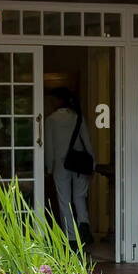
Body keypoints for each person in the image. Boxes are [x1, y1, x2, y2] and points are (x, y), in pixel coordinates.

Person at [43, 87, 94, 246]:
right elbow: (87, 142)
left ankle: (72, 238)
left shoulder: (51, 119)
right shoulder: (77, 117)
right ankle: (84, 224)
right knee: (80, 197)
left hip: (61, 163)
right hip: (79, 163)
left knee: (64, 201)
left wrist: (49, 168)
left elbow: (49, 147)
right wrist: (92, 163)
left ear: (58, 101)